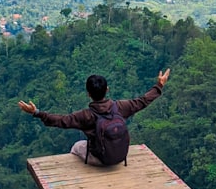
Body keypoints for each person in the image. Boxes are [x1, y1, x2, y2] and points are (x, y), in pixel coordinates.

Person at [18, 68, 170, 165]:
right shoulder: (121, 107)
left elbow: (61, 121)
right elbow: (142, 101)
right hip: (121, 156)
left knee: (77, 146)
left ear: (88, 94)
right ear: (107, 90)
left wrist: (36, 112)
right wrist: (159, 86)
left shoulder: (86, 116)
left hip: (102, 159)